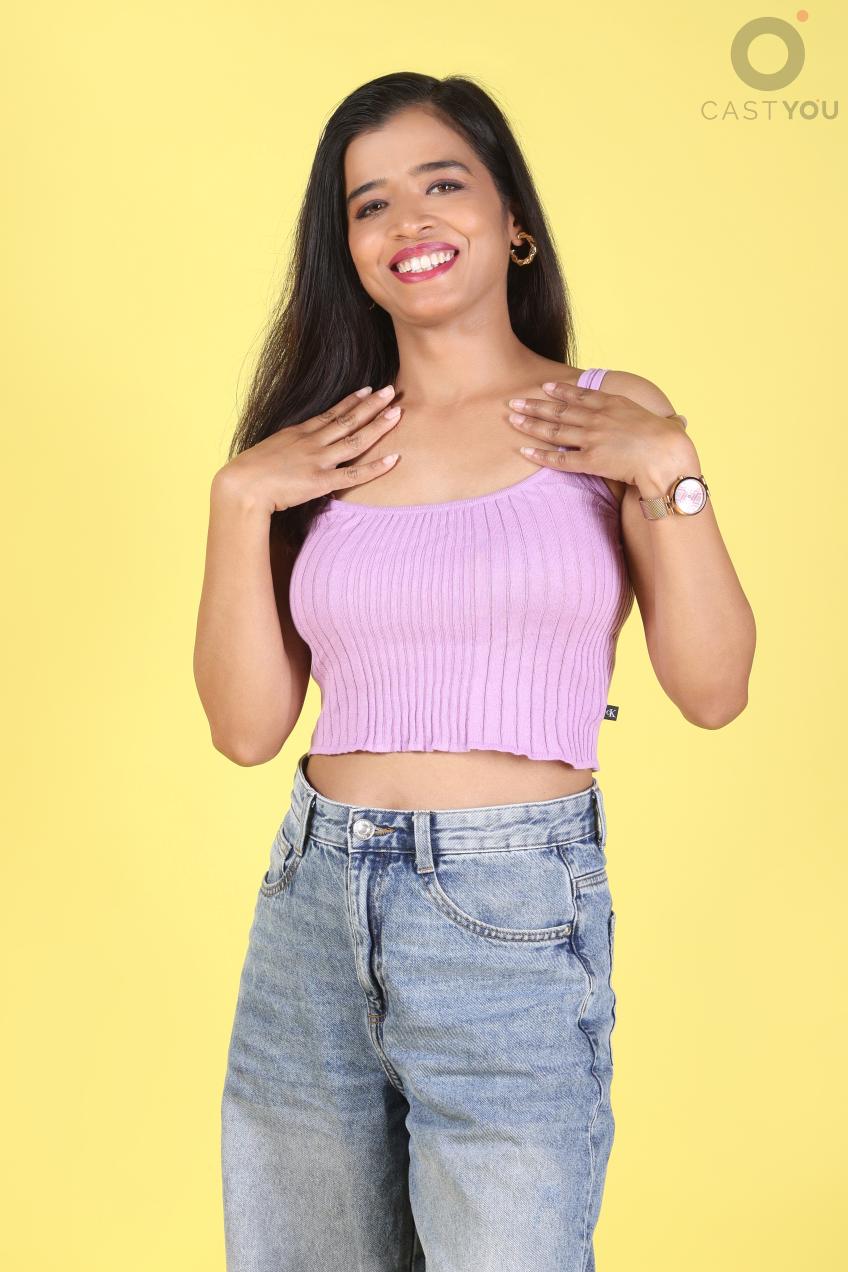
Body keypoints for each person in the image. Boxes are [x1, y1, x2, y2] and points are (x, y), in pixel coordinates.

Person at [193, 72, 755, 1272]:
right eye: (369, 204)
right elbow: (245, 730)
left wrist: (670, 466)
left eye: (441, 184)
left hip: (509, 911)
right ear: (347, 250)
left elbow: (712, 689)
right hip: (310, 903)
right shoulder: (316, 444)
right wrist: (238, 499)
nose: (408, 221)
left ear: (512, 221)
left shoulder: (608, 417)